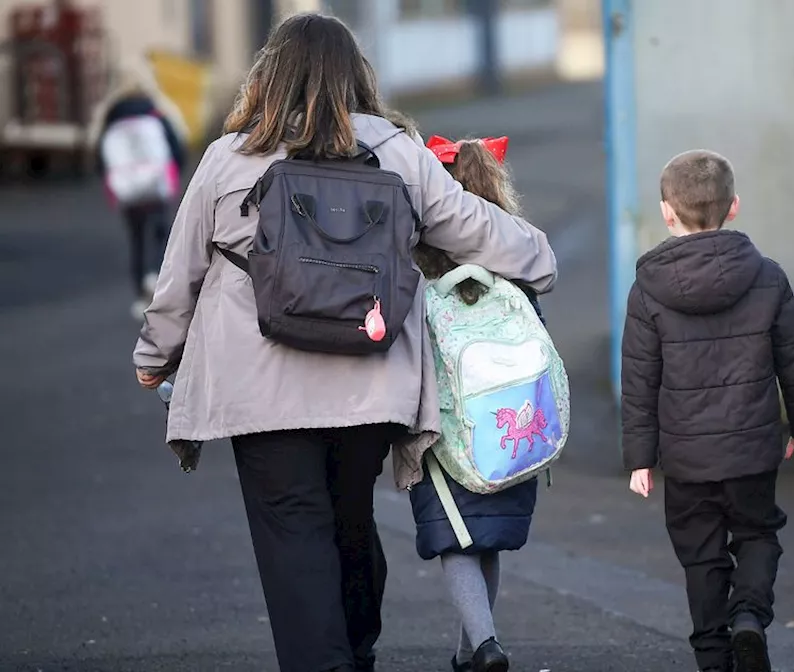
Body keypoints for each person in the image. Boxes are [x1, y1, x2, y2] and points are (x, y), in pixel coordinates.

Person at [131, 14, 557, 672]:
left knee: (293, 531)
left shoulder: (230, 157)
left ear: (268, 75)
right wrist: (540, 259)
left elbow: (180, 271)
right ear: (357, 75)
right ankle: (355, 646)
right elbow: (470, 224)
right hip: (371, 378)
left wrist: (155, 358)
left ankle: (329, 660)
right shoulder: (395, 151)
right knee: (348, 517)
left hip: (259, 390)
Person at [620, 150, 794, 672]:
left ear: (667, 212)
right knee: (757, 534)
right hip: (752, 449)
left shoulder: (649, 290)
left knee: (701, 558)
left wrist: (640, 456)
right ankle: (750, 617)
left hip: (687, 458)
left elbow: (640, 378)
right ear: (734, 207)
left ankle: (714, 661)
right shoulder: (768, 278)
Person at [411, 135, 541, 672]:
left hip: (440, 427)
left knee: (455, 538)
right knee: (484, 535)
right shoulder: (517, 260)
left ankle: (484, 646)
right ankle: (472, 651)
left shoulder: (417, 265)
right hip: (509, 424)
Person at [87, 59, 189, 320]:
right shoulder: (156, 110)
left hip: (127, 188)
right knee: (159, 232)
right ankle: (154, 277)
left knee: (135, 237)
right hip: (156, 183)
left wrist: (110, 180)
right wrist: (174, 171)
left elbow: (100, 156)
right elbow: (176, 147)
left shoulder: (109, 115)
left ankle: (139, 294)